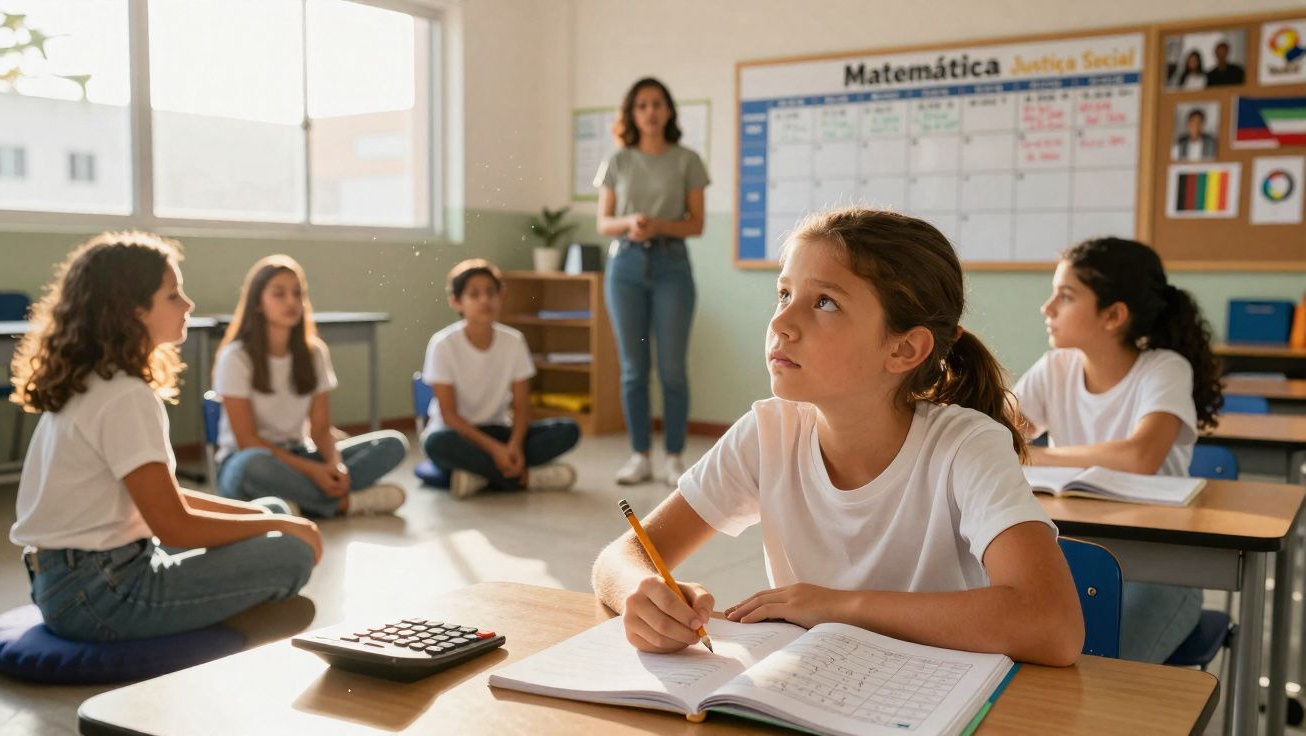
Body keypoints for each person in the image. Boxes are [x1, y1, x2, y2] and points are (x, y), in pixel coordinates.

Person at [591, 207, 1083, 666]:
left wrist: (839, 606)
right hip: (817, 690)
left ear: (905, 348)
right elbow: (619, 557)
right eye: (784, 295)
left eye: (825, 302)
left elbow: (1052, 623)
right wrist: (643, 592)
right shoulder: (769, 432)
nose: (781, 323)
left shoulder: (965, 444)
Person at [9, 232, 319, 641]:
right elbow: (174, 526)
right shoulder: (124, 395)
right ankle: (227, 618)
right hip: (102, 595)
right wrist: (279, 529)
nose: (188, 305)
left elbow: (163, 499)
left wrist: (268, 518)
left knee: (273, 509)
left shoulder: (94, 381)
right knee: (290, 553)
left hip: (70, 582)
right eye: (174, 295)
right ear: (133, 310)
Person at [1013, 237, 1223, 663]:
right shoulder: (1056, 367)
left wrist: (1038, 453)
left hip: (1160, 571)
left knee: (1102, 673)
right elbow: (996, 431)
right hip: (1071, 558)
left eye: (1066, 296)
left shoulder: (1164, 368)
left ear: (1113, 315)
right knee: (1030, 656)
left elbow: (1138, 457)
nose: (1047, 308)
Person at [214, 255, 408, 517]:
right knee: (253, 467)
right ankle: (347, 504)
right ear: (257, 302)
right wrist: (314, 472)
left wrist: (333, 465)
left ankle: (294, 502)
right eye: (279, 294)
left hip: (300, 454)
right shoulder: (236, 356)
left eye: (298, 293)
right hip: (246, 461)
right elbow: (248, 442)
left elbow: (320, 429)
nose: (291, 301)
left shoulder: (314, 352)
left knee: (393, 444)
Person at [595, 77, 710, 488]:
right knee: (632, 370)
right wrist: (630, 223)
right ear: (631, 112)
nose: (650, 111)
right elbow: (604, 222)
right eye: (642, 104)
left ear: (669, 110)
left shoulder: (687, 160)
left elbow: (696, 224)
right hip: (624, 267)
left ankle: (675, 457)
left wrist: (657, 225)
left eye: (658, 103)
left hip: (671, 267)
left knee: (673, 369)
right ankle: (640, 455)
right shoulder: (618, 161)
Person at [421, 259, 580, 499]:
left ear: (501, 296)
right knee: (436, 444)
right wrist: (496, 451)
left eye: (491, 292)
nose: (485, 300)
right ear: (456, 302)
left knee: (568, 430)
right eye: (474, 294)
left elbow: (522, 406)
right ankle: (526, 479)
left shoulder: (514, 341)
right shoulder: (442, 345)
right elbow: (450, 416)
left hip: (499, 431)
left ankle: (481, 476)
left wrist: (514, 446)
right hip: (460, 436)